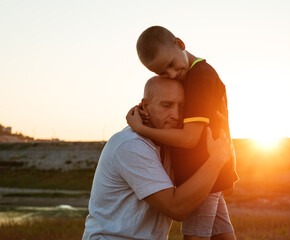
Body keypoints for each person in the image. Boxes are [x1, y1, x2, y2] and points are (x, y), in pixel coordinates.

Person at [82, 77, 233, 240]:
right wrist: (217, 159)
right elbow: (176, 208)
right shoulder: (130, 145)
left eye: (182, 107)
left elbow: (218, 193)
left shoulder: (172, 144)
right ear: (145, 105)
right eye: (166, 105)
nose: (175, 115)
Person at [127, 25, 238, 240]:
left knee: (195, 236)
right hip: (209, 173)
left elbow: (189, 138)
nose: (171, 75)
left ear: (180, 44)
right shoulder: (195, 75)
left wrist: (141, 129)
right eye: (162, 73)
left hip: (200, 175)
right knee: (222, 235)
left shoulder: (199, 78)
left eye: (171, 65)